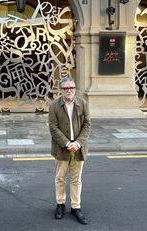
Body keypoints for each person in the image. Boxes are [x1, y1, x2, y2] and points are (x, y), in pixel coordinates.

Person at [49, 76, 91, 225]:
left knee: (76, 179)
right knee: (60, 178)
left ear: (75, 89)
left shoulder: (83, 104)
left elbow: (87, 124)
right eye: (66, 88)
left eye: (71, 88)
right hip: (62, 149)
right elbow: (53, 127)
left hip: (78, 149)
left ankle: (76, 207)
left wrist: (78, 143)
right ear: (61, 90)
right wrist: (67, 143)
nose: (69, 91)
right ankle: (60, 204)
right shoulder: (54, 105)